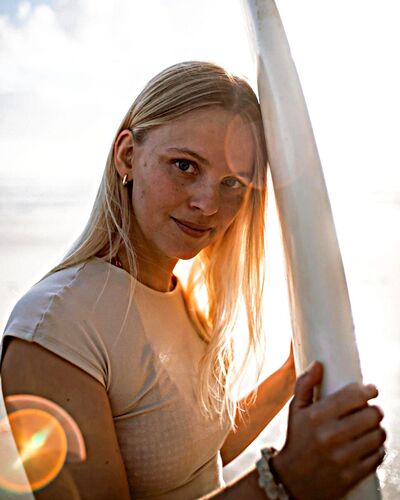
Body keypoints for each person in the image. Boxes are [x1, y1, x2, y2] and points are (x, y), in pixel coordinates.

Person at [1, 61, 385, 499]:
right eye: (184, 165)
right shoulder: (54, 327)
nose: (208, 203)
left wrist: (295, 372)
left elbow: (197, 453)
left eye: (232, 182)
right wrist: (283, 479)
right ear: (127, 155)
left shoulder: (181, 296)